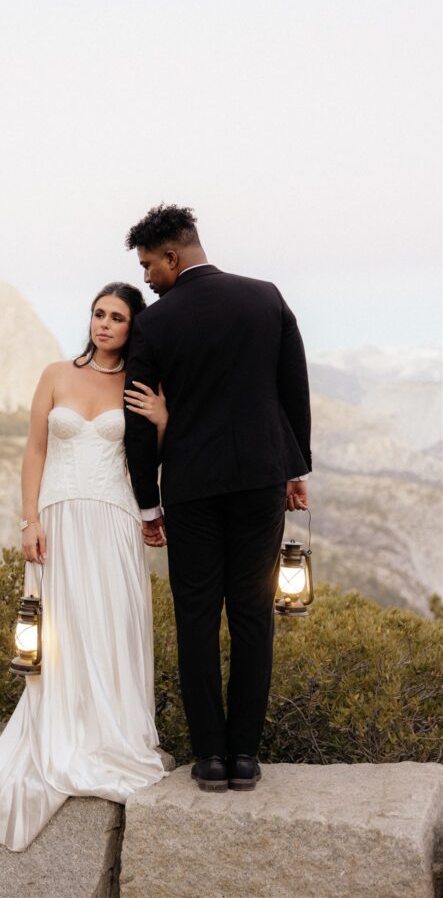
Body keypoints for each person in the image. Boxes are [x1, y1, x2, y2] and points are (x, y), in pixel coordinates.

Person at [0, 282, 170, 852]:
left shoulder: (139, 383)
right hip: (58, 518)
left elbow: (160, 455)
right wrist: (29, 520)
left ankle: (114, 733)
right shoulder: (55, 373)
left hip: (115, 519)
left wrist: (164, 417)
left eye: (117, 317)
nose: (104, 324)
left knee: (113, 625)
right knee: (64, 629)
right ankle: (68, 730)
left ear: (133, 326)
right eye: (99, 314)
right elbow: (35, 450)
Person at [122, 204, 312, 793]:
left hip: (192, 489)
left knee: (197, 618)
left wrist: (147, 502)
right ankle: (246, 758)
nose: (148, 278)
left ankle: (209, 758)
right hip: (260, 480)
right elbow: (292, 390)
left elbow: (137, 417)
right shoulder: (266, 298)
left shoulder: (155, 323)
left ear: (173, 257)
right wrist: (295, 466)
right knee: (254, 616)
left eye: (150, 265)